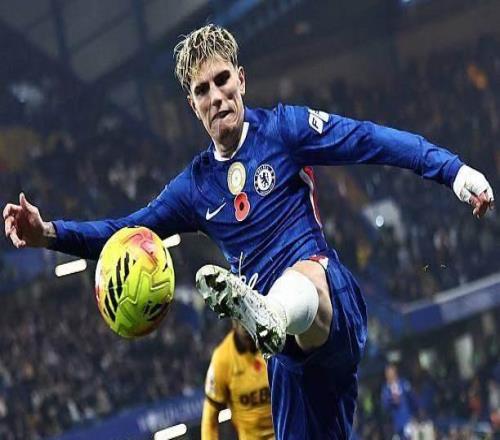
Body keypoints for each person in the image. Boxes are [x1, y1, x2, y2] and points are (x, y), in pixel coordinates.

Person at [3, 24, 494, 439]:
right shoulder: (195, 187)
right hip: (288, 360)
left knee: (310, 278)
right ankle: (270, 317)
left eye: (222, 81)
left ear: (241, 79)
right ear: (192, 105)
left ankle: (272, 312)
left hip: (329, 303)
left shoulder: (284, 130)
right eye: (203, 90)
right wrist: (49, 233)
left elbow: (369, 140)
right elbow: (124, 233)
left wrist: (453, 171)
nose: (216, 97)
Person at [202, 321, 274, 440]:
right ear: (233, 319)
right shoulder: (222, 359)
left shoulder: (276, 342)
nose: (244, 324)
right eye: (240, 317)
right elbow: (209, 420)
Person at [381, 364, 416, 439]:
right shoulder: (385, 389)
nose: (389, 375)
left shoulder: (404, 384)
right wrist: (392, 401)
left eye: (391, 373)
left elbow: (412, 399)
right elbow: (385, 406)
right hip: (395, 424)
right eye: (387, 374)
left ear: (395, 373)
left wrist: (413, 415)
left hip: (407, 420)